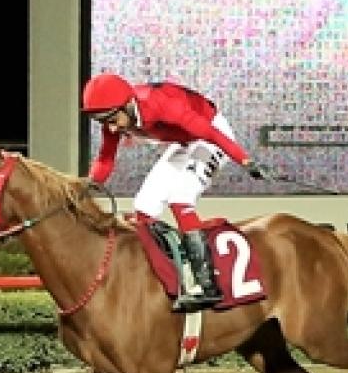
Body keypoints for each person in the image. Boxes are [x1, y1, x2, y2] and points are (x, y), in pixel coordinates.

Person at [80, 73, 267, 311]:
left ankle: (207, 285)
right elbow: (105, 160)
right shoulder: (116, 116)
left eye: (112, 119)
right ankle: (171, 273)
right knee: (144, 206)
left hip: (212, 135)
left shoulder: (159, 104)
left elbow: (211, 134)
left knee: (181, 197)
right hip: (184, 142)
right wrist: (85, 187)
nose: (111, 127)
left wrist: (245, 161)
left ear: (127, 105)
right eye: (102, 122)